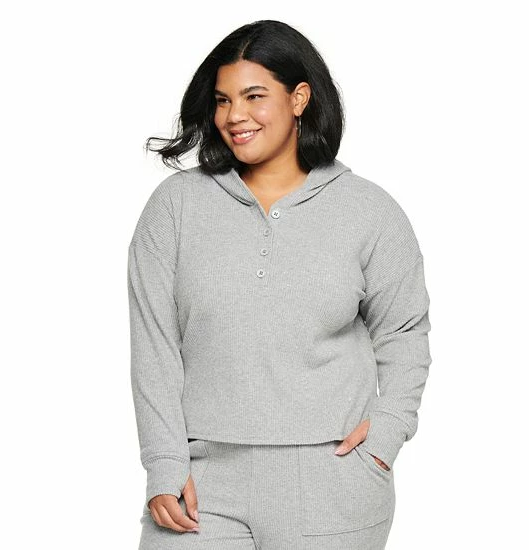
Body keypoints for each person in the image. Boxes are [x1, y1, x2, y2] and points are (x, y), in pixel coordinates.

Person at [127, 19, 432, 550]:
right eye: (222, 100)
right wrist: (164, 463)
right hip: (201, 485)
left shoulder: (369, 212)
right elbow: (155, 347)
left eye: (254, 96)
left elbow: (404, 334)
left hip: (333, 483)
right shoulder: (175, 208)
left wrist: (384, 437)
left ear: (299, 98)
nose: (234, 116)